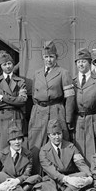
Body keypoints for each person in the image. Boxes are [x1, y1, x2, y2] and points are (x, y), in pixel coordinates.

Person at [27, 40, 75, 174]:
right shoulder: (37, 73)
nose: (49, 60)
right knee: (36, 142)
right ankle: (36, 174)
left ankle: (59, 174)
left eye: (51, 57)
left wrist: (68, 119)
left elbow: (70, 97)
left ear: (56, 57)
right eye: (46, 57)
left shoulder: (63, 73)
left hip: (56, 110)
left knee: (57, 141)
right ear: (43, 57)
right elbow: (34, 96)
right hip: (38, 112)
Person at [34, 120, 93, 191]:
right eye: (53, 134)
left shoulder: (70, 146)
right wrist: (66, 179)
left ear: (62, 133)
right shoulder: (44, 151)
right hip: (54, 180)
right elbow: (52, 172)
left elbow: (81, 163)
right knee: (39, 189)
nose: (57, 137)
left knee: (83, 175)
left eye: (59, 133)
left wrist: (89, 176)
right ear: (49, 136)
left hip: (71, 180)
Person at [0, 51, 28, 174]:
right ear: (1, 66)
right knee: (0, 148)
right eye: (4, 64)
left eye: (10, 63)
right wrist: (13, 101)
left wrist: (3, 97)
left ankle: (17, 173)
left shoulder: (20, 81)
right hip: (1, 118)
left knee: (16, 146)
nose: (8, 66)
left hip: (16, 117)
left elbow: (22, 101)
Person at [0, 125, 43, 191]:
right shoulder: (2, 154)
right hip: (5, 182)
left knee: (37, 177)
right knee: (0, 174)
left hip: (20, 182)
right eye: (13, 139)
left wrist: (16, 181)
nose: (17, 142)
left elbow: (27, 174)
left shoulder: (28, 154)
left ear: (22, 140)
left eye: (19, 139)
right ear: (9, 141)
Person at [72, 48, 96, 161]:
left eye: (84, 61)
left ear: (90, 63)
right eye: (78, 61)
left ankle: (94, 172)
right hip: (78, 120)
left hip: (93, 119)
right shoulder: (72, 81)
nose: (81, 64)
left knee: (93, 147)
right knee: (78, 147)